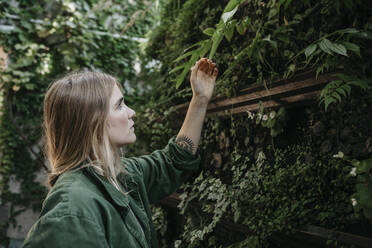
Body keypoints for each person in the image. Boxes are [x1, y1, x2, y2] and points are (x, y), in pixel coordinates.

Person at [22, 58, 218, 248]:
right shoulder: (72, 206)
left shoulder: (119, 174)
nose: (131, 112)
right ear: (92, 122)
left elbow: (173, 162)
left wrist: (199, 100)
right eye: (119, 105)